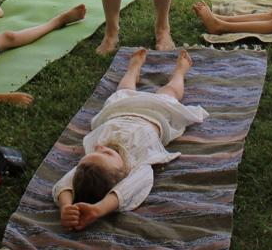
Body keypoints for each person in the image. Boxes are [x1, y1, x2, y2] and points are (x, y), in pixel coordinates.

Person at [55, 47, 207, 231]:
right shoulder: (138, 161)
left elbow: (64, 182)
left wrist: (65, 205)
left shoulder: (93, 163)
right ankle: (180, 72)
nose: (99, 147)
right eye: (108, 153)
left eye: (95, 151)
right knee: (170, 92)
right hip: (155, 114)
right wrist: (98, 209)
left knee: (124, 89)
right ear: (124, 172)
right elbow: (130, 189)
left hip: (119, 109)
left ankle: (133, 70)